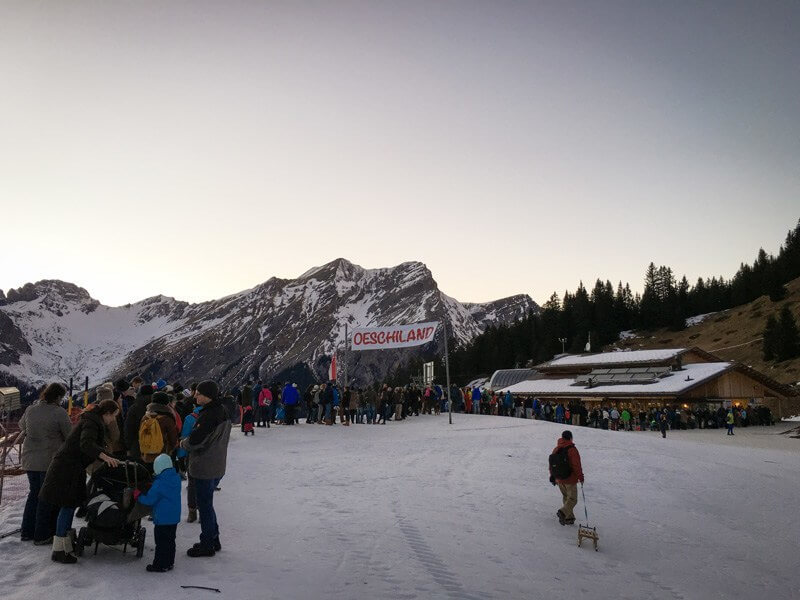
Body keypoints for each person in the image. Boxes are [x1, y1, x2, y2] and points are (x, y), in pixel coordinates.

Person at [40, 399, 121, 564]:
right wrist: (104, 456)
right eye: (113, 416)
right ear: (106, 413)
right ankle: (60, 549)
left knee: (69, 505)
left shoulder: (91, 419)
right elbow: (86, 444)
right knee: (67, 506)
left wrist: (111, 457)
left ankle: (66, 544)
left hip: (70, 468)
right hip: (68, 469)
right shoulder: (92, 423)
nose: (112, 420)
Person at [18, 382, 73, 545]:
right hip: (48, 459)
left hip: (29, 459)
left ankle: (26, 530)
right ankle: (42, 534)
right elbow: (69, 435)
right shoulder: (59, 412)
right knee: (46, 497)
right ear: (58, 397)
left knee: (33, 494)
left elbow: (22, 427)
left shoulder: (30, 409)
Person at [181, 380, 230, 557]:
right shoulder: (222, 410)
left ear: (207, 396)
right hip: (217, 464)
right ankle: (213, 539)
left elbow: (195, 440)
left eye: (199, 393)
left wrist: (183, 443)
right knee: (207, 504)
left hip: (204, 465)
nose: (195, 396)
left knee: (205, 506)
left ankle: (207, 543)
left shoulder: (208, 415)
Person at [135, 453, 181, 572]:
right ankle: (169, 562)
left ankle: (160, 565)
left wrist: (138, 495)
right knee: (170, 541)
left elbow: (149, 500)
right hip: (173, 518)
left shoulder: (159, 484)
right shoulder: (175, 478)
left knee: (161, 543)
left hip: (162, 519)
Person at [548, 430, 584, 526]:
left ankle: (569, 518)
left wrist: (552, 475)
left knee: (566, 497)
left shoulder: (556, 448)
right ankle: (563, 512)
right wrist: (581, 477)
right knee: (572, 499)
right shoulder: (572, 449)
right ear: (570, 438)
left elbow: (552, 464)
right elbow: (576, 465)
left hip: (559, 479)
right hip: (570, 479)